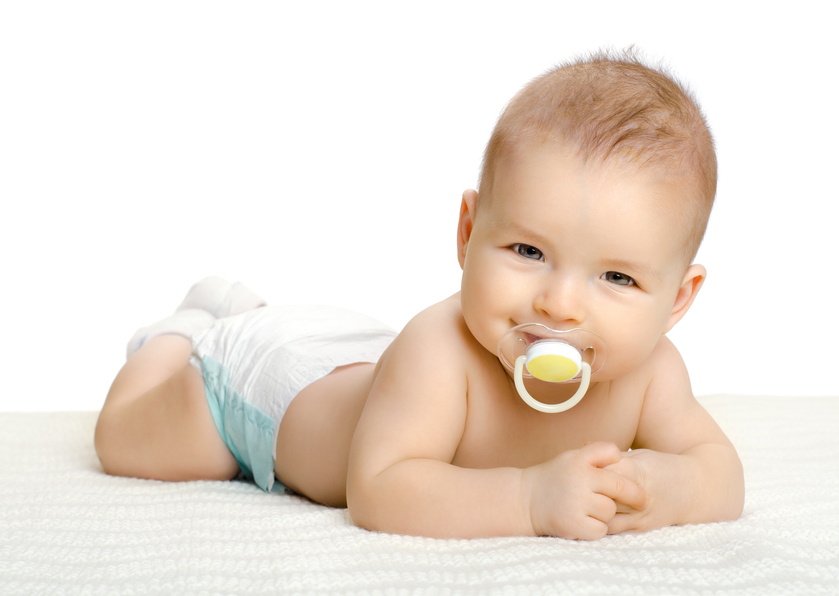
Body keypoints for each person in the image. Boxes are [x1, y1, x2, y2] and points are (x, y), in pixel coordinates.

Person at [95, 49, 744, 540]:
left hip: (355, 354)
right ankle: (189, 330)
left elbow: (720, 472)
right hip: (268, 391)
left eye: (617, 278)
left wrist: (667, 487)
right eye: (527, 252)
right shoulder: (439, 349)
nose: (560, 305)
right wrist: (528, 500)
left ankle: (241, 308)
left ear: (677, 300)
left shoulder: (654, 373)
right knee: (130, 442)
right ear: (467, 232)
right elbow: (378, 489)